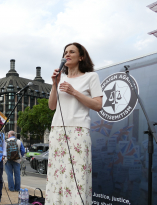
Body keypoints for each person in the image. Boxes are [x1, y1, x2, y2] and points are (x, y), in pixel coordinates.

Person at [46, 42, 102, 204]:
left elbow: (98, 105)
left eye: (72, 52)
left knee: (77, 175)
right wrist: (55, 84)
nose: (67, 55)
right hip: (57, 130)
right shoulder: (60, 78)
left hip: (78, 130)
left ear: (81, 57)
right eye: (65, 52)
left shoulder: (91, 76)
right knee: (57, 175)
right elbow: (51, 106)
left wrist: (74, 92)